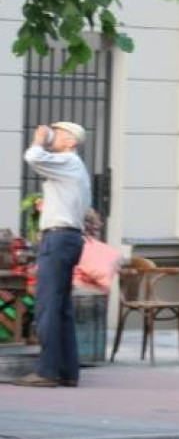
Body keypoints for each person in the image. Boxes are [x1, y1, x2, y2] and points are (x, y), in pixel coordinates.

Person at [14, 122, 91, 387]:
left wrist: (37, 139)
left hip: (58, 239)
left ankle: (47, 371)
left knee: (47, 305)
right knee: (61, 307)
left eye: (57, 133)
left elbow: (32, 156)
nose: (51, 136)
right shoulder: (74, 167)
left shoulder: (67, 160)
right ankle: (67, 371)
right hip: (68, 238)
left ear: (71, 140)